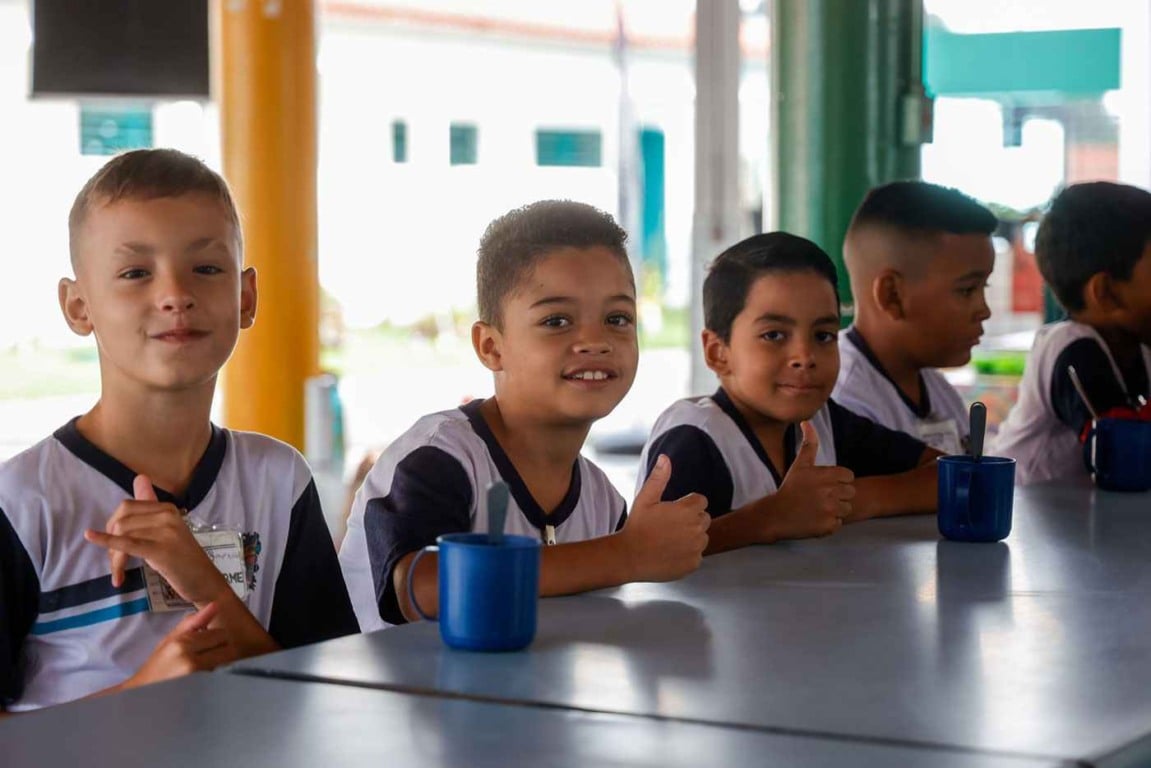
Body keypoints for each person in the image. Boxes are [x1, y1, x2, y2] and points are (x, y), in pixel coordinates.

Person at [0, 149, 359, 712]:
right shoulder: (21, 503)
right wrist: (139, 696)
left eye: (207, 268)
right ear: (78, 306)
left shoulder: (278, 479)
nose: (175, 295)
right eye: (135, 273)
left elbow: (330, 700)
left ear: (246, 297)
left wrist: (205, 582)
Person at [339, 200, 710, 629]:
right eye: (557, 321)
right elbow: (426, 590)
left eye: (617, 318)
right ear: (491, 347)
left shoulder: (600, 497)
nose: (595, 340)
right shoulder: (441, 458)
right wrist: (627, 554)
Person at [636, 232, 941, 555]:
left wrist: (858, 499)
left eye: (823, 336)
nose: (804, 356)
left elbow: (950, 475)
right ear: (717, 352)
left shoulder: (823, 424)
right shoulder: (695, 438)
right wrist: (770, 518)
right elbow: (650, 550)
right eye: (774, 335)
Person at [993, 182, 1151, 485]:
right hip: (1023, 515)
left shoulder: (1140, 347)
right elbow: (1120, 451)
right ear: (1106, 293)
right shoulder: (1071, 347)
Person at [833, 180, 997, 455]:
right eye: (967, 290)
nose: (984, 310)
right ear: (892, 295)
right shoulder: (843, 402)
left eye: (984, 288)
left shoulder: (938, 390)